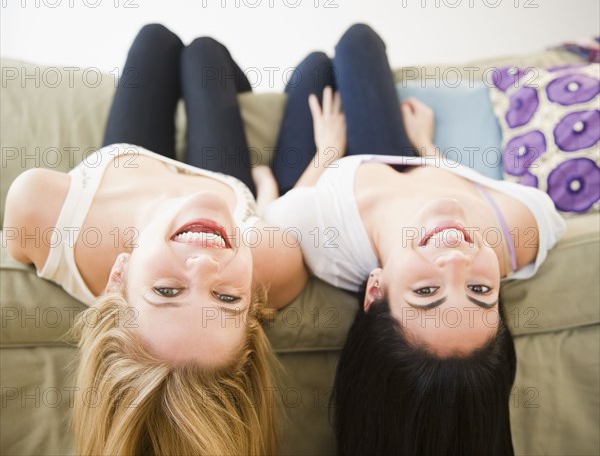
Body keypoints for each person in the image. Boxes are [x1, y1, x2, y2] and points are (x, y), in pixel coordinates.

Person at [3, 24, 308, 455]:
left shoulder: (42, 212)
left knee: (155, 39)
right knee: (205, 54)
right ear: (254, 305)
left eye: (167, 291)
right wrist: (269, 196)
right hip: (219, 181)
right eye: (226, 299)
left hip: (130, 164)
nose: (205, 265)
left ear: (118, 277)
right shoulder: (271, 265)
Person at [263, 23, 567, 455]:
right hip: (397, 154)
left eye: (427, 291)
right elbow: (467, 189)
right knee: (360, 40)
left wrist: (328, 149)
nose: (456, 260)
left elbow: (270, 213)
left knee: (313, 70)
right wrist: (426, 144)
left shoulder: (313, 229)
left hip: (333, 177)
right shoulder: (524, 227)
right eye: (480, 290)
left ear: (376, 288)